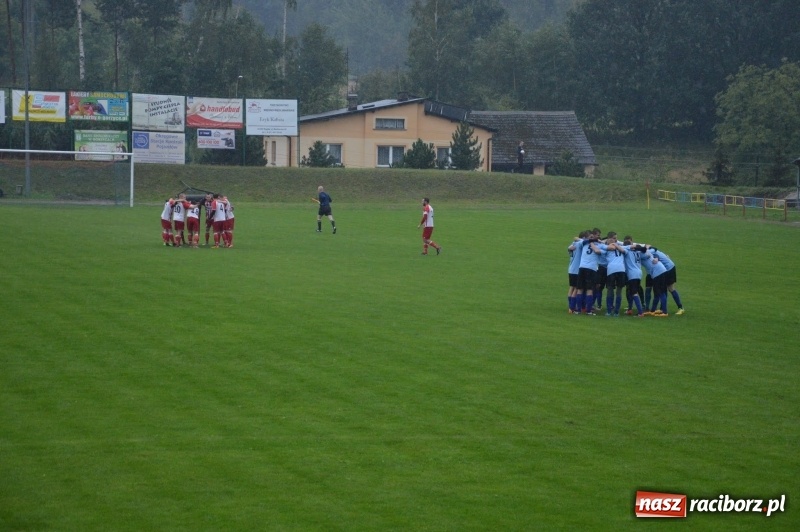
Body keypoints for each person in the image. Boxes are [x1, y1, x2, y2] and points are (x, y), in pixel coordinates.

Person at [603, 232, 626, 316]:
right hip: (621, 269)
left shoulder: (606, 247)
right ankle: (616, 311)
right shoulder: (621, 246)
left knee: (610, 289)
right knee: (618, 291)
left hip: (611, 269)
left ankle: (609, 311)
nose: (616, 240)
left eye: (616, 238)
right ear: (609, 238)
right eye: (614, 238)